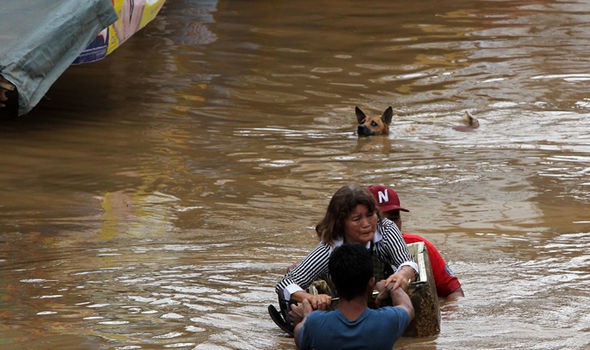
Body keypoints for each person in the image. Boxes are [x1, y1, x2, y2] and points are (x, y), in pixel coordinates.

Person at [271, 184, 418, 334]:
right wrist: (309, 298)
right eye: (356, 219)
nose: (366, 224)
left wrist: (402, 274)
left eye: (370, 215)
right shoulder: (330, 247)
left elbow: (407, 262)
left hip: (380, 291)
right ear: (341, 223)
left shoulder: (386, 229)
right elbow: (285, 284)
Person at [294, 243, 414, 350]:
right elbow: (407, 308)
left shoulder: (315, 323)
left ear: (334, 284)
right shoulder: (388, 320)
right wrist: (392, 285)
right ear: (371, 282)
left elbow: (299, 336)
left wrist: (305, 317)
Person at [367, 185, 465, 299]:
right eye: (381, 220)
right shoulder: (347, 248)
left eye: (394, 219)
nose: (389, 226)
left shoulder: (420, 246)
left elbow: (455, 292)